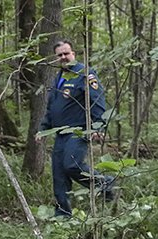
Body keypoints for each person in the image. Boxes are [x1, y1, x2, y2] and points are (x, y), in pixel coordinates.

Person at [39, 39, 116, 217]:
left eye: (66, 53)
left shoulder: (85, 73)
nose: (63, 57)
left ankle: (105, 183)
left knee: (71, 165)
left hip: (78, 131)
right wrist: (43, 128)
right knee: (59, 176)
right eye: (60, 55)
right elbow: (51, 108)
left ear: (73, 53)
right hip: (60, 134)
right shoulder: (58, 78)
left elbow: (97, 100)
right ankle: (62, 215)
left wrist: (98, 126)